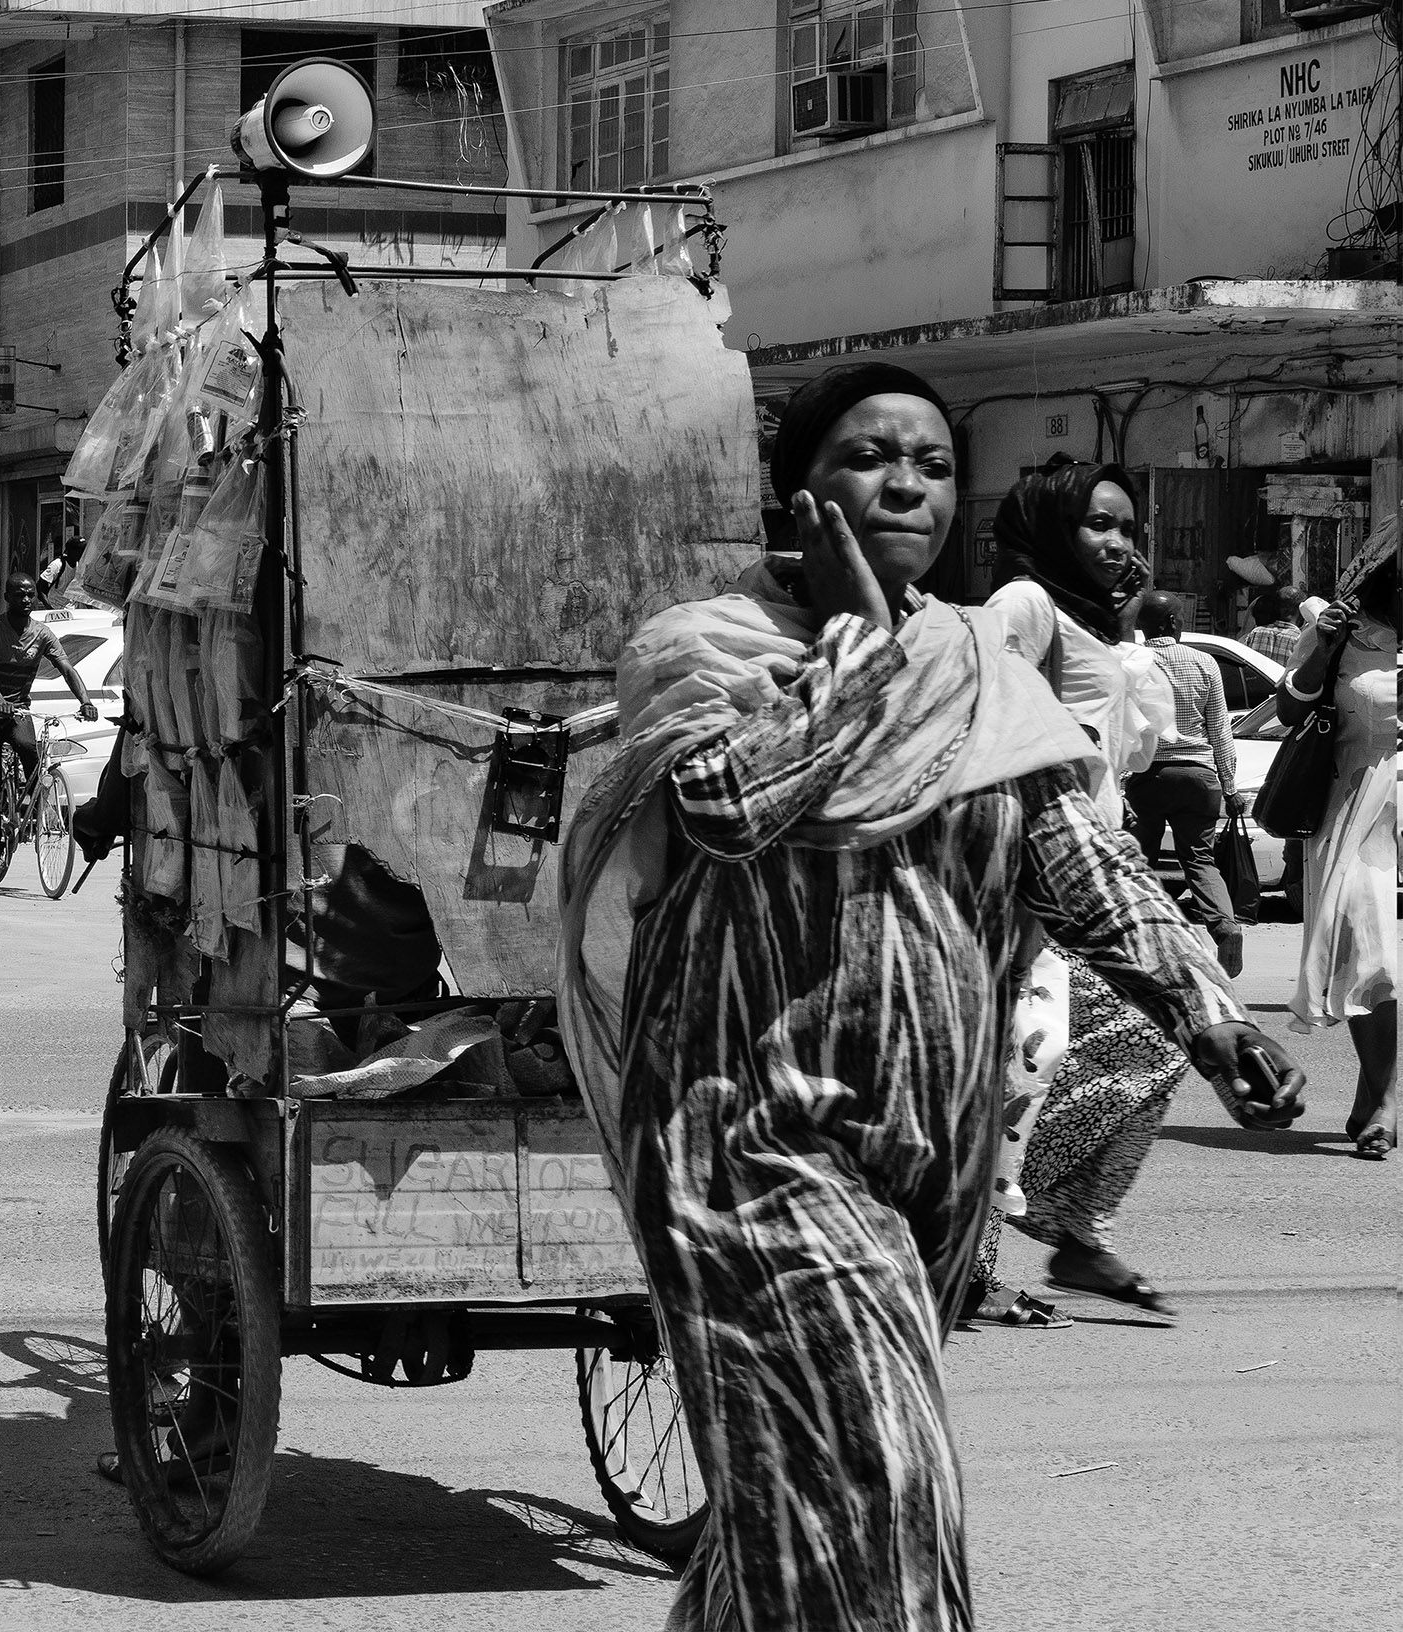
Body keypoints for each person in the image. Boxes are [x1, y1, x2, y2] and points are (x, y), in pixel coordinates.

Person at [560, 362, 1298, 1631]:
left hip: (926, 1163)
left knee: (795, 1517)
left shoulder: (972, 665)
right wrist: (852, 647)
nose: (905, 481)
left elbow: (1077, 858)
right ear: (798, 492)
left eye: (933, 462)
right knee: (886, 1490)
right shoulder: (705, 649)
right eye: (867, 455)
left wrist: (1208, 1008)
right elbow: (731, 806)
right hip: (748, 1144)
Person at [985, 460, 1195, 1313]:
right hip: (1031, 875)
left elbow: (1133, 749)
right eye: (1095, 526)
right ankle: (973, 1260)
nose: (1117, 543)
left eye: (1126, 527)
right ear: (1047, 529)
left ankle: (1074, 1233)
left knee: (1150, 1039)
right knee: (1015, 1061)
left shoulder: (1090, 622)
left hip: (1096, 870)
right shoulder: (1024, 605)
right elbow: (980, 714)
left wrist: (1125, 629)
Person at [1278, 517, 1397, 1160]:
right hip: (1360, 806)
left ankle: (1373, 1092)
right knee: (1374, 957)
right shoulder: (1343, 629)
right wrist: (1320, 649)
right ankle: (1382, 1102)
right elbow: (1292, 708)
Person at [1128, 594, 1246, 974]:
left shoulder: (1133, 662)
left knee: (1139, 862)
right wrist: (1230, 787)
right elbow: (1220, 730)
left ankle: (1142, 941)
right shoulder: (1204, 662)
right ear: (1174, 622)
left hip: (1148, 777)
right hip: (1199, 776)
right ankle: (1225, 927)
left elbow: (1120, 727)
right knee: (1198, 859)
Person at [0, 578, 98, 850]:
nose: (27, 599)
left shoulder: (42, 633)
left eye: (31, 594)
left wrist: (85, 701)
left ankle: (33, 805)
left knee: (29, 748)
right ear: (7, 596)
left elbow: (67, 668)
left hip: (17, 708)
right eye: (20, 595)